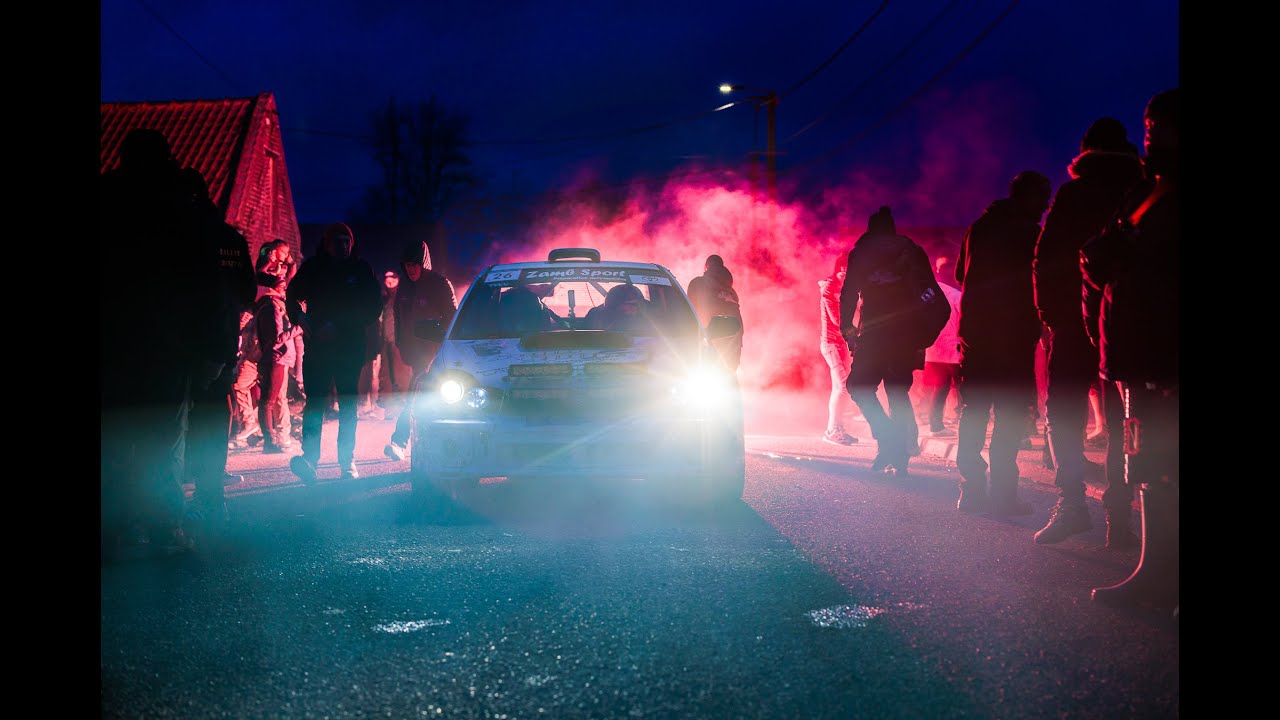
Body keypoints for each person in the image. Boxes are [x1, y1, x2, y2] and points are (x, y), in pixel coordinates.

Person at [101, 129, 217, 558]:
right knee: (164, 437)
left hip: (115, 341)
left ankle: (113, 528)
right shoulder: (180, 204)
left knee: (113, 435)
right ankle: (164, 526)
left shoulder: (109, 196)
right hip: (167, 344)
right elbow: (204, 281)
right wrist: (209, 347)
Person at [1084, 88, 1179, 611]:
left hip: (1163, 354)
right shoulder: (1148, 189)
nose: (1149, 135)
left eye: (1157, 125)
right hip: (1137, 352)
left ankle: (1161, 576)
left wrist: (1129, 258)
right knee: (1151, 467)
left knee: (1166, 466)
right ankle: (1156, 570)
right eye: (1146, 127)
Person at [1032, 116, 1145, 546]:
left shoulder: (1074, 193)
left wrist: (1052, 314)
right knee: (1124, 421)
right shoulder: (1141, 190)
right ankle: (1121, 518)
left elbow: (1045, 256)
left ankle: (1072, 505)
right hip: (1125, 321)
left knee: (1062, 414)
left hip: (1072, 321)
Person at [952, 171, 1052, 516]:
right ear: (1026, 198)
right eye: (1042, 199)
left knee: (975, 412)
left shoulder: (978, 227)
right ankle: (1004, 496)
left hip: (976, 334)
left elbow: (960, 275)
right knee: (1008, 417)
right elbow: (1040, 282)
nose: (1045, 206)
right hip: (1012, 337)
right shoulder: (1030, 233)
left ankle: (972, 489)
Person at [180, 167, 259, 524]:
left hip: (186, 345)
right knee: (213, 417)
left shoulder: (182, 235)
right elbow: (247, 292)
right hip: (223, 344)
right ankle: (211, 497)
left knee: (175, 423)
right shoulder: (233, 238)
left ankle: (168, 512)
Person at [838, 206, 934, 476]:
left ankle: (889, 440)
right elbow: (929, 290)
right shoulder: (912, 251)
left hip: (874, 332)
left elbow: (849, 293)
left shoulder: (862, 252)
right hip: (907, 333)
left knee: (858, 386)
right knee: (898, 393)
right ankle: (898, 453)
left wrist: (848, 329)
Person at [285, 223, 381, 483]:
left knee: (348, 407)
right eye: (337, 241)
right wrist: (299, 316)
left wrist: (339, 326)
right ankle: (310, 459)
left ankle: (347, 461)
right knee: (315, 404)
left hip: (349, 349)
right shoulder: (314, 268)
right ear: (327, 244)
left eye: (346, 241)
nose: (343, 246)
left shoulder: (361, 270)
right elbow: (292, 294)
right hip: (318, 349)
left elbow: (373, 307)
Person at [384, 240, 458, 462]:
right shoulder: (404, 287)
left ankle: (400, 441)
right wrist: (399, 342)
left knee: (418, 397)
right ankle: (436, 446)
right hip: (415, 353)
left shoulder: (439, 284)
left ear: (424, 263)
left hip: (436, 353)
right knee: (425, 398)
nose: (411, 270)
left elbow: (453, 317)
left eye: (415, 265)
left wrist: (440, 341)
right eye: (407, 265)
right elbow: (398, 315)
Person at [253, 242, 305, 454]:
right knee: (269, 399)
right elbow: (276, 339)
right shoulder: (272, 306)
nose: (285, 286)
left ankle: (278, 436)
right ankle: (272, 439)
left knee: (276, 398)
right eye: (282, 285)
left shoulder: (276, 304)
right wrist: (297, 329)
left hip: (279, 358)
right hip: (276, 358)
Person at [818, 254, 859, 445]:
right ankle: (832, 429)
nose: (845, 273)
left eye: (848, 270)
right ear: (837, 269)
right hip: (831, 343)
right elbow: (837, 320)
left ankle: (836, 428)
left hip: (842, 344)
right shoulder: (830, 288)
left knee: (840, 387)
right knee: (843, 385)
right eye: (842, 270)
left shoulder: (848, 288)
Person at [921, 254, 962, 438]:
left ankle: (935, 425)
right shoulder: (957, 295)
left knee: (939, 388)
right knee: (963, 389)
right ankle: (965, 424)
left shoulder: (926, 294)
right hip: (953, 350)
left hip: (933, 349)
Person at [686, 255, 743, 372]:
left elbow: (688, 314)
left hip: (707, 343)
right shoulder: (732, 293)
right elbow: (738, 323)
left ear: (706, 267)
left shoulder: (697, 284)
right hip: (734, 344)